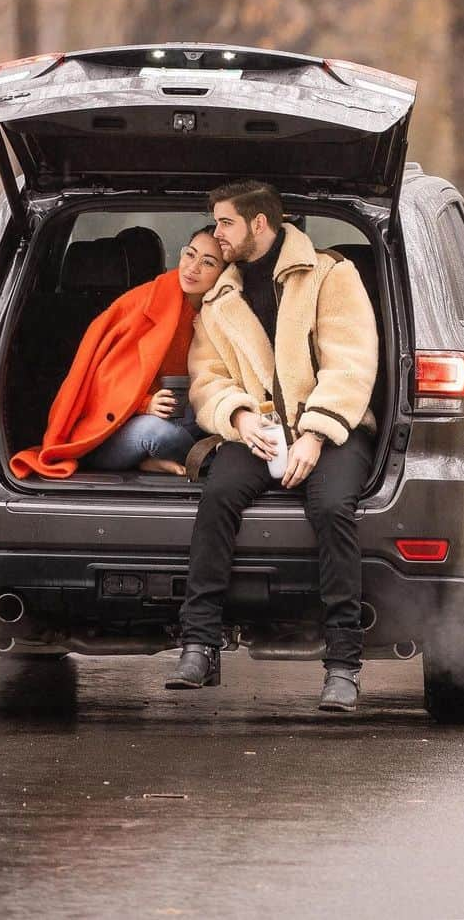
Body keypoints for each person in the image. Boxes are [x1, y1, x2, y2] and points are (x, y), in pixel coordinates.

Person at [166, 181, 379, 712]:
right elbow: (207, 377)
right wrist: (239, 417)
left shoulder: (330, 275)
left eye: (225, 224)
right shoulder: (219, 298)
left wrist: (313, 433)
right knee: (218, 495)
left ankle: (343, 666)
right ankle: (198, 644)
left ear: (259, 225)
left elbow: (351, 363)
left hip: (333, 429)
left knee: (332, 509)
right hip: (258, 431)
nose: (217, 235)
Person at [10, 227, 223, 480]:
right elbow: (103, 382)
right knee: (157, 433)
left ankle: (172, 457)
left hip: (175, 415)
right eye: (190, 254)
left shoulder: (221, 313)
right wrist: (146, 404)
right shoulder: (143, 303)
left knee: (205, 413)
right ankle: (196, 462)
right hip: (111, 429)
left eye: (208, 262)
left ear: (226, 272)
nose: (193, 268)